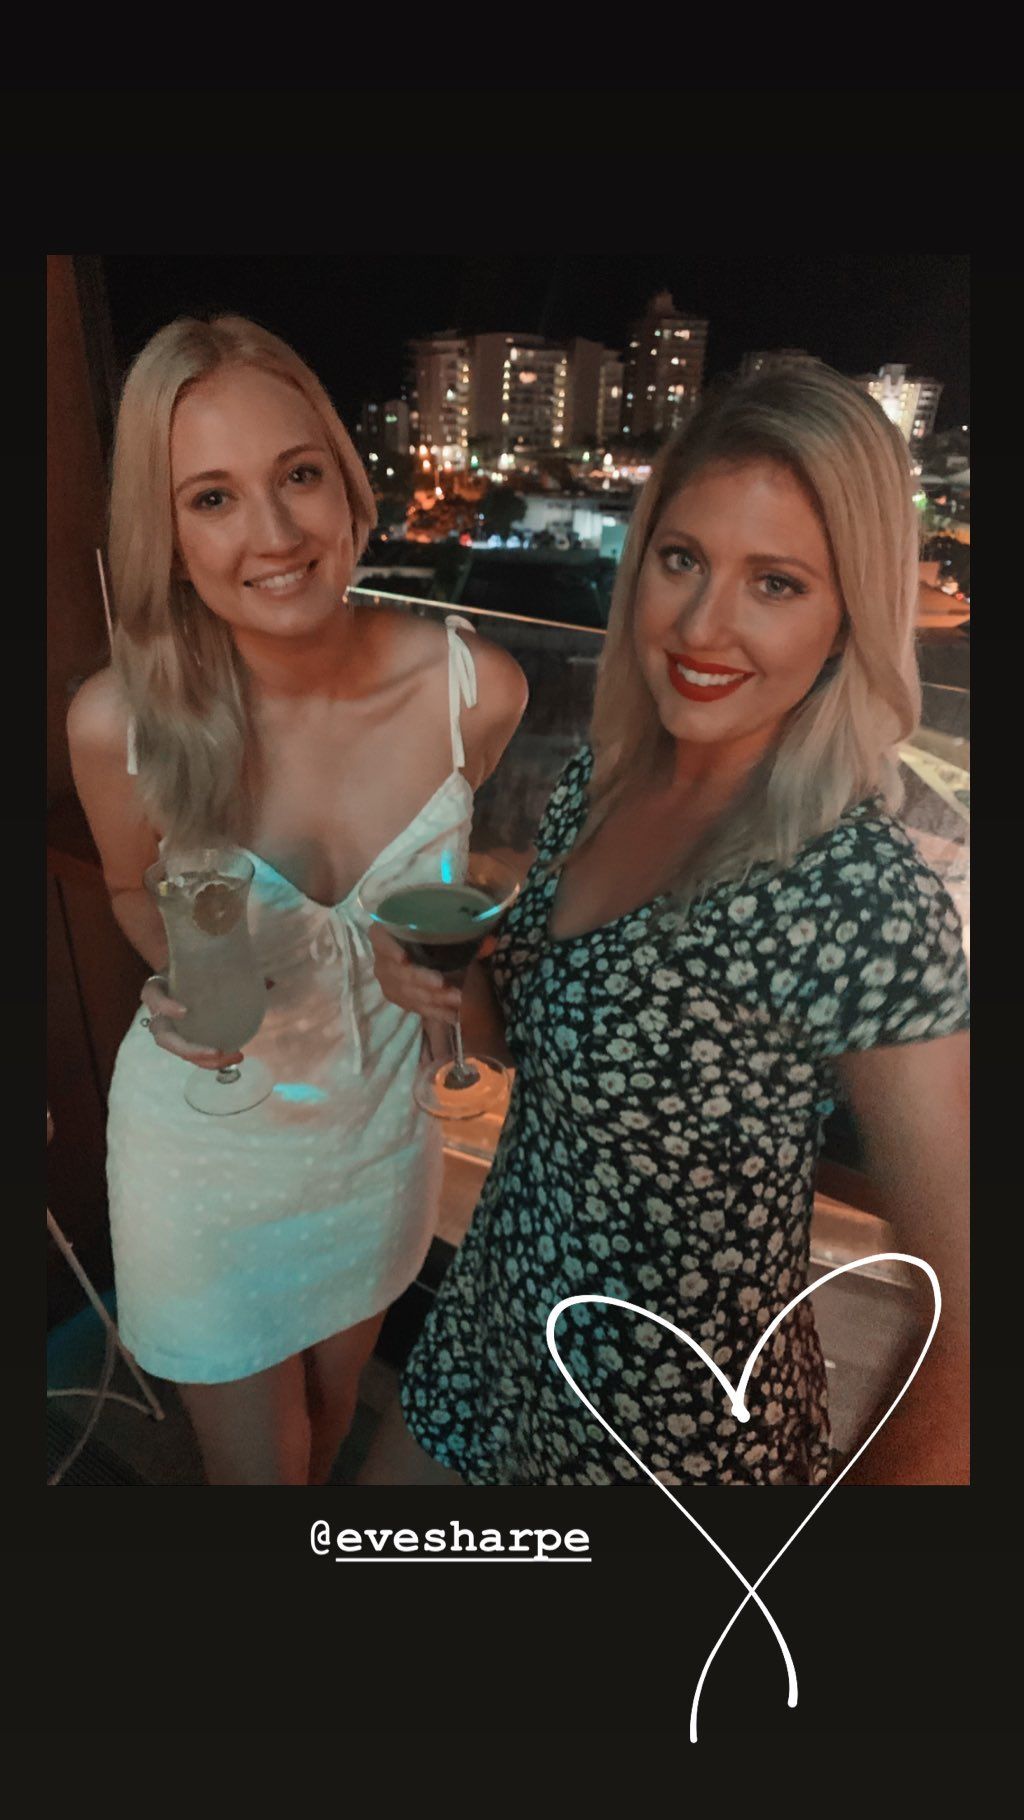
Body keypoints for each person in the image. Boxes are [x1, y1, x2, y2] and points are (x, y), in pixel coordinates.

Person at [361, 360, 970, 1489]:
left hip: (665, 1434)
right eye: (682, 559)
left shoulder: (855, 895)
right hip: (499, 1318)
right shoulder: (601, 783)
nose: (702, 624)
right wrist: (448, 982)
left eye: (775, 582)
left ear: (847, 618)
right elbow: (529, 1049)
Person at [66, 315, 528, 1485]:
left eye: (299, 475)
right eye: (212, 498)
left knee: (325, 1422)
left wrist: (449, 969)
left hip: (377, 1140)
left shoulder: (474, 692)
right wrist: (179, 974)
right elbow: (127, 887)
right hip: (205, 1152)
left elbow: (472, 906)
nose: (273, 534)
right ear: (166, 533)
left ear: (348, 485)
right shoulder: (118, 723)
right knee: (259, 1474)